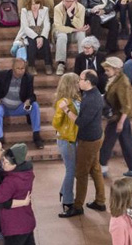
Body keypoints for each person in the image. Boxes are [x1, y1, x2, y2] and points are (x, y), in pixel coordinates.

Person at [58, 70, 106, 218]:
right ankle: (100, 201)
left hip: (89, 140)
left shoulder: (91, 99)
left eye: (81, 79)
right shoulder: (93, 93)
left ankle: (77, 206)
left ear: (88, 82)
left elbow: (81, 122)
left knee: (81, 173)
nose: (79, 81)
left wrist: (66, 109)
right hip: (96, 136)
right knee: (95, 169)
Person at [0, 58, 44, 149]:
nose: (21, 71)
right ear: (12, 68)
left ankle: (36, 136)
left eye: (22, 68)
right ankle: (0, 138)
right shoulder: (2, 75)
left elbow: (32, 95)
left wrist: (28, 100)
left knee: (34, 106)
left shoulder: (28, 78)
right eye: (18, 68)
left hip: (20, 106)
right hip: (4, 107)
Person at [99, 57, 132, 179]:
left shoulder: (123, 83)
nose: (106, 73)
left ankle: (102, 168)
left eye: (108, 70)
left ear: (116, 70)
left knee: (107, 142)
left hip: (118, 117)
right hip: (120, 116)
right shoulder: (115, 79)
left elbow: (126, 105)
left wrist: (121, 122)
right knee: (126, 143)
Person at [52, 73, 81, 216]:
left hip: (74, 138)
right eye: (77, 82)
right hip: (66, 139)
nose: (79, 84)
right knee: (71, 170)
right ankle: (68, 201)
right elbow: (56, 123)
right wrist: (64, 110)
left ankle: (64, 191)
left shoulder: (76, 99)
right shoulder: (63, 102)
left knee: (72, 169)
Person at [15, 0, 53, 76]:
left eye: (37, 4)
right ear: (29, 4)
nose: (35, 6)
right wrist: (36, 37)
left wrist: (41, 37)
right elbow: (25, 28)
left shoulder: (45, 10)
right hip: (28, 34)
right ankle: (31, 65)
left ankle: (48, 64)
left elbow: (47, 25)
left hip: (41, 33)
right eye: (32, 4)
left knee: (45, 41)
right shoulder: (24, 11)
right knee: (31, 42)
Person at [53, 0, 88, 75]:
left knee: (81, 34)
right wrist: (75, 29)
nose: (68, 3)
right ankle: (61, 63)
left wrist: (70, 14)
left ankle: (83, 61)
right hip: (61, 33)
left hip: (74, 34)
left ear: (75, 1)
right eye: (66, 1)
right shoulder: (57, 8)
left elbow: (80, 25)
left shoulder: (81, 8)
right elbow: (59, 27)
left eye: (70, 1)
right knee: (62, 36)